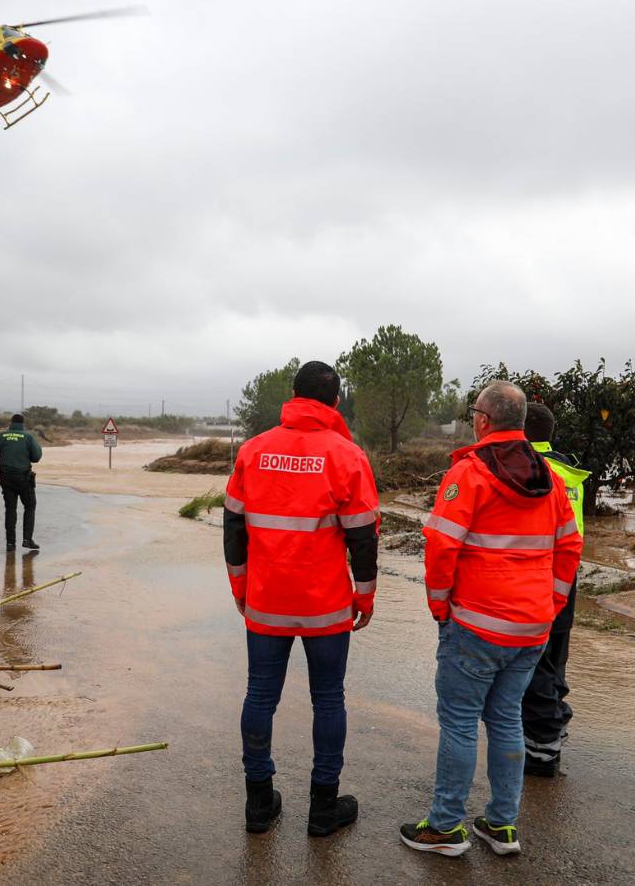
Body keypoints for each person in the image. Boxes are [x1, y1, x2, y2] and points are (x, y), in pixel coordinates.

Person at [401, 381, 582, 858]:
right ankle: (502, 826)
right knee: (505, 720)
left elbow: (441, 545)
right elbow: (570, 547)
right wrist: (552, 603)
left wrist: (440, 607)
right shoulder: (553, 478)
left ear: (483, 420)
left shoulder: (469, 474)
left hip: (476, 625)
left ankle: (444, 828)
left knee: (460, 723)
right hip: (531, 628)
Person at [222, 360, 379, 837]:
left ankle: (258, 803)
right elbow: (364, 536)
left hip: (266, 601)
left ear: (292, 395)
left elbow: (233, 528)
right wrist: (365, 596)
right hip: (326, 606)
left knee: (260, 696)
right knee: (329, 700)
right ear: (334, 401)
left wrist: (240, 588)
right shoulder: (348, 456)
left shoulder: (253, 450)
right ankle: (323, 808)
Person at [520, 403, 590, 777]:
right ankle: (555, 728)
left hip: (540, 577)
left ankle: (542, 751)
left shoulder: (530, 469)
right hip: (569, 576)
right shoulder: (569, 469)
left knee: (537, 667)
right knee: (556, 660)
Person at [0, 413, 43, 551]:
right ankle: (27, 540)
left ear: (11, 423)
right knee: (30, 507)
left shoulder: (1, 436)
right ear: (23, 424)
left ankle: (10, 543)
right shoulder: (28, 437)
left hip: (6, 478)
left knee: (10, 510)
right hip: (24, 479)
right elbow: (36, 457)